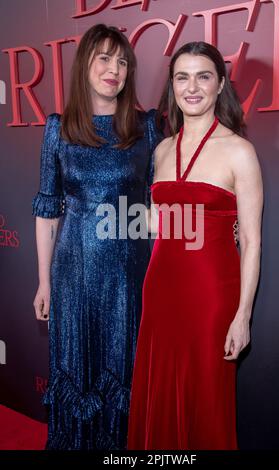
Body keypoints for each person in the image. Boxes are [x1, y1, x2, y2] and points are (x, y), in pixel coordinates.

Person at [32, 24, 162, 450]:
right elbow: (48, 211)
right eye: (104, 58)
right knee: (77, 367)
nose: (115, 69)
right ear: (84, 64)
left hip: (129, 275)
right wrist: (45, 282)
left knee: (126, 370)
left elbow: (161, 203)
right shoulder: (58, 128)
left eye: (122, 61)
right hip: (74, 273)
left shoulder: (146, 126)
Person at [127, 41, 263, 450]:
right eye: (182, 77)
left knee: (205, 400)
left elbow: (253, 242)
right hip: (160, 292)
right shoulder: (163, 149)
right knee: (160, 393)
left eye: (203, 76)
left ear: (220, 84)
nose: (192, 87)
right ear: (172, 86)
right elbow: (158, 223)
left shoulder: (240, 151)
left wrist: (243, 317)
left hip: (210, 300)